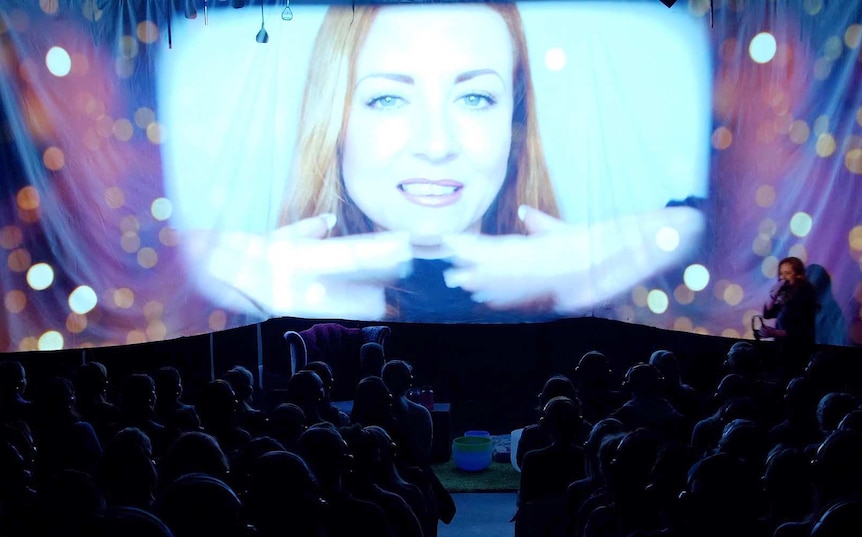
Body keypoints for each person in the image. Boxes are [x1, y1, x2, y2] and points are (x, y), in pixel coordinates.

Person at [185, 2, 706, 322]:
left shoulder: (603, 282)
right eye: (387, 99)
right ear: (334, 125)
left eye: (476, 98)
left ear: (513, 124)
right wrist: (218, 267)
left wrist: (608, 258)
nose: (436, 145)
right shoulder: (256, 284)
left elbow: (735, 230)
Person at [757, 256, 819, 379]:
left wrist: (775, 332)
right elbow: (768, 314)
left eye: (787, 273)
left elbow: (802, 331)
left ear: (799, 275)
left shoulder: (805, 294)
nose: (782, 278)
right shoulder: (786, 293)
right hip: (783, 350)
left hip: (797, 352)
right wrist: (774, 294)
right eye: (781, 273)